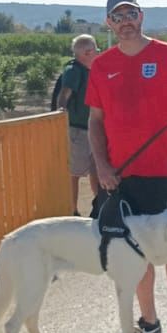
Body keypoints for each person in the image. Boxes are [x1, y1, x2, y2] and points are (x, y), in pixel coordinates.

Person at [86, 0, 167, 333]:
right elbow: (95, 121)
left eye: (131, 14)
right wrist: (102, 167)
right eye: (117, 16)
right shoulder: (101, 65)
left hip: (161, 173)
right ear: (109, 23)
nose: (125, 21)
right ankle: (150, 322)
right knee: (132, 253)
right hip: (119, 178)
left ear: (141, 17)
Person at [56, 33, 100, 213]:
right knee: (74, 173)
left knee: (96, 168)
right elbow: (64, 95)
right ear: (87, 53)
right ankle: (73, 210)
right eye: (95, 50)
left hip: (90, 128)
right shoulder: (74, 71)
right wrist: (61, 114)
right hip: (77, 130)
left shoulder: (89, 70)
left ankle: (99, 205)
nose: (97, 53)